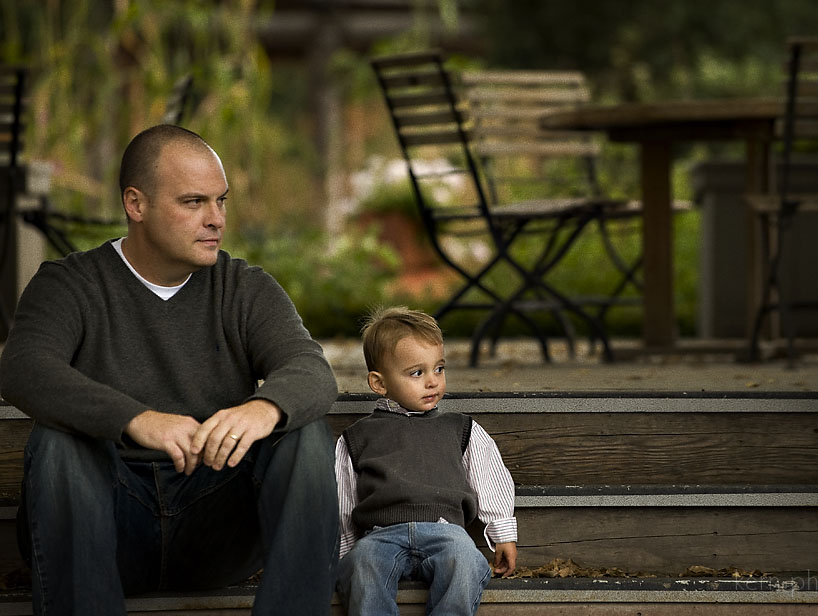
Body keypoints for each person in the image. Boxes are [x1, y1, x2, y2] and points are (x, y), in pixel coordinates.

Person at [0, 124, 340, 615]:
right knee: (58, 442)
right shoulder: (70, 284)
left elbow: (310, 369)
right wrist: (137, 419)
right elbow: (23, 369)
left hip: (218, 528)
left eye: (221, 201)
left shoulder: (244, 287)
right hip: (111, 529)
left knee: (304, 433)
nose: (216, 220)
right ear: (135, 204)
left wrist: (264, 407)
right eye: (193, 202)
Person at [335, 306, 517, 616]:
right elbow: (342, 496)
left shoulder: (461, 428)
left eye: (439, 368)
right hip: (380, 534)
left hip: (445, 531)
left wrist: (503, 533)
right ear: (379, 383)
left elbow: (490, 478)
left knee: (465, 559)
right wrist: (345, 548)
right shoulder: (358, 437)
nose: (432, 381)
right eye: (417, 373)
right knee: (362, 564)